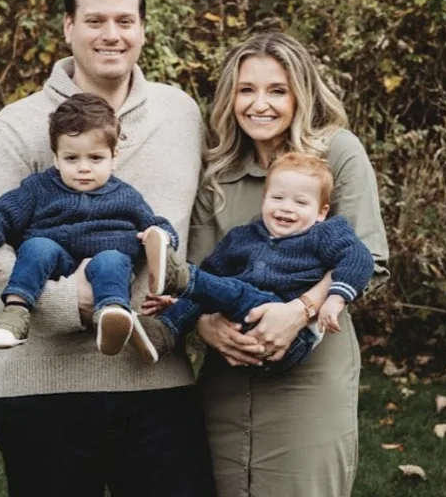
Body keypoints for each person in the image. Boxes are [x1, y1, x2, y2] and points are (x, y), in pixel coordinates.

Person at [0, 0, 218, 497]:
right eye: (95, 20)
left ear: (144, 27)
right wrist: (69, 302)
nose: (111, 34)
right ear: (68, 27)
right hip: (42, 388)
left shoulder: (182, 115)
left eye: (125, 20)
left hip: (158, 383)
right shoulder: (19, 125)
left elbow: (202, 233)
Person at [186, 31, 389, 497]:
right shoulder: (215, 171)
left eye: (276, 90)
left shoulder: (337, 154)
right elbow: (194, 274)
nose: (260, 104)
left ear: (301, 93)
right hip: (226, 378)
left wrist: (300, 312)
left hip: (310, 375)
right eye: (246, 90)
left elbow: (369, 259)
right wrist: (205, 327)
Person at [0, 92, 177, 359]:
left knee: (112, 261)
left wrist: (159, 236)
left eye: (96, 158)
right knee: (37, 247)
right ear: (56, 158)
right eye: (71, 159)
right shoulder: (39, 188)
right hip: (57, 261)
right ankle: (15, 316)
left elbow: (154, 224)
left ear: (114, 157)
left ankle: (111, 316)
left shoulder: (126, 196)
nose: (84, 168)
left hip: (107, 262)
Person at [137, 151, 375, 377]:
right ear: (264, 199)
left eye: (300, 202)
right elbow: (212, 273)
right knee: (210, 290)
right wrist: (178, 301)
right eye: (278, 198)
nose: (286, 207)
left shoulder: (325, 233)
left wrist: (336, 298)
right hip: (243, 333)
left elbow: (358, 258)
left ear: (321, 212)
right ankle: (161, 334)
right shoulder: (241, 237)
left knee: (232, 288)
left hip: (290, 337)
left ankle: (180, 277)